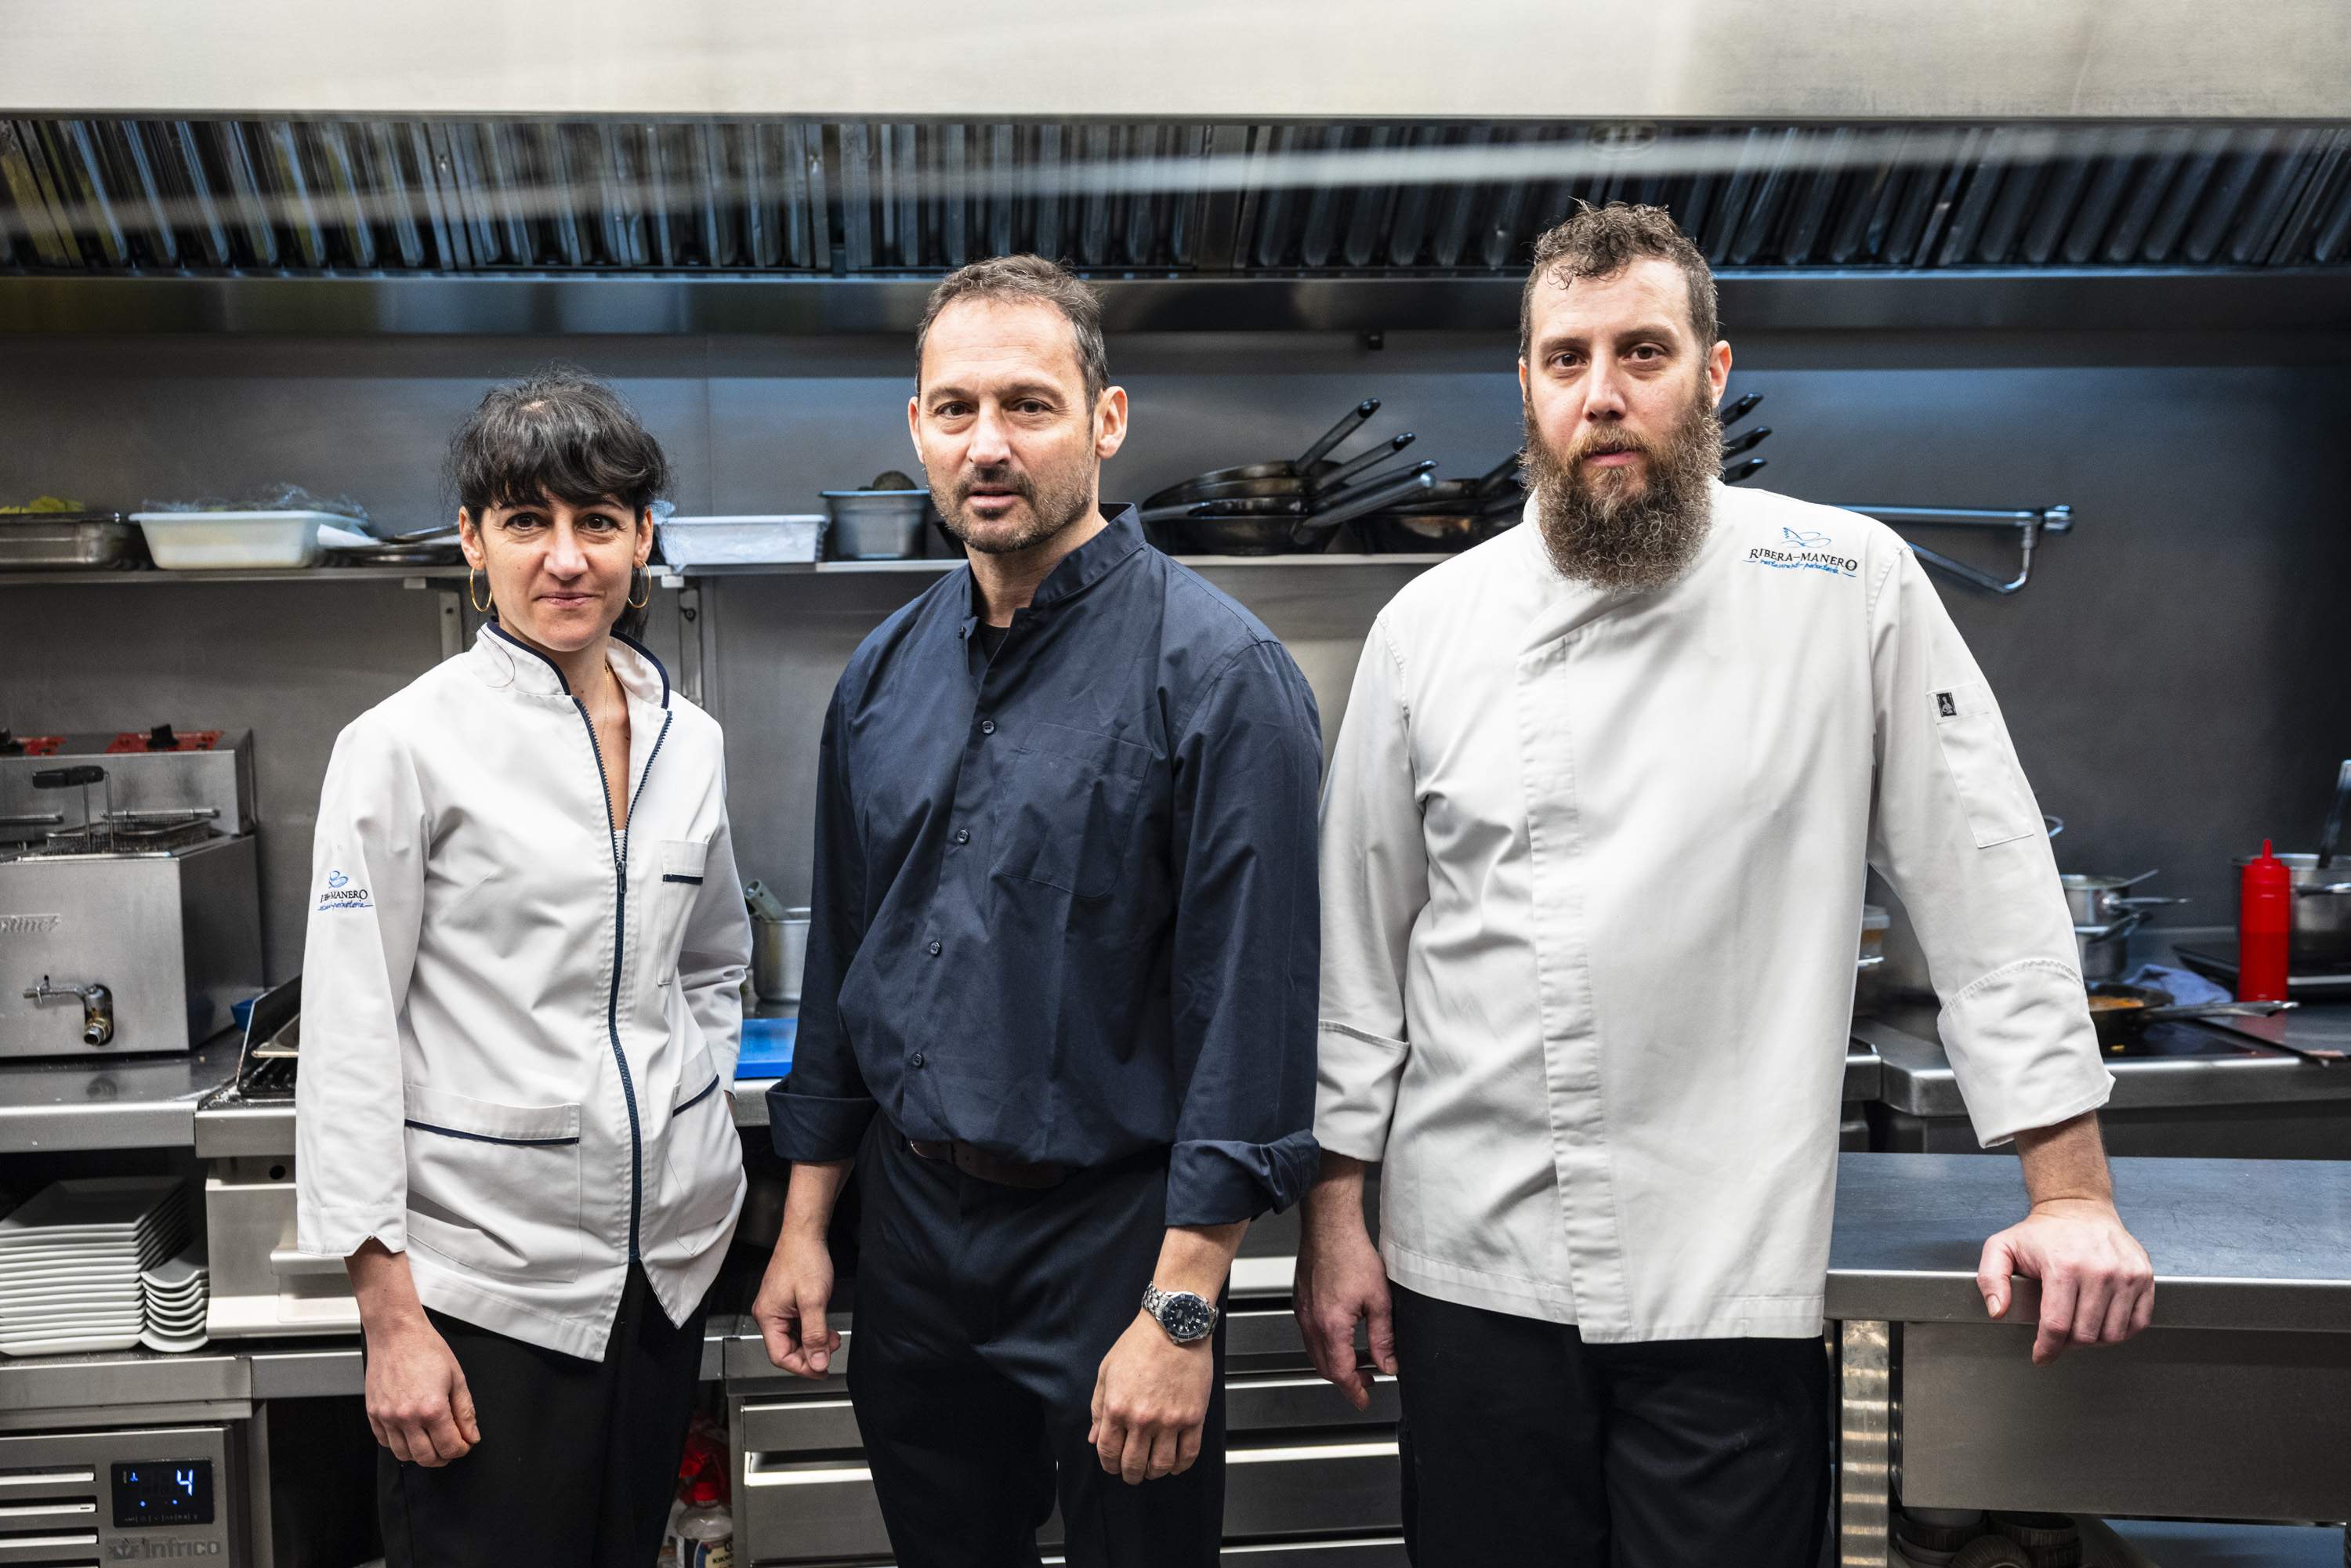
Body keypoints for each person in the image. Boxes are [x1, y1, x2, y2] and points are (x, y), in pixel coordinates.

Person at [1295, 205, 2154, 1566]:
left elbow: (1984, 878)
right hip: (1471, 1261)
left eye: (1642, 351)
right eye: (1566, 359)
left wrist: (2069, 1193)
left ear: (1712, 370)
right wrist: (1336, 1217)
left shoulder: (1844, 579)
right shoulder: (1427, 629)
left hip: (1728, 1265)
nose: (1603, 394)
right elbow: (1360, 953)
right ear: (1524, 389)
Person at [752, 255, 1323, 1568]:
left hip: (1115, 1235)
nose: (988, 445)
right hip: (910, 1228)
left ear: (1106, 422)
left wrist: (1182, 1309)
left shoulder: (1223, 676)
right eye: (955, 410)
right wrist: (802, 1227)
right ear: (916, 431)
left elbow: (1255, 1012)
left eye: (1029, 404)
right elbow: (849, 961)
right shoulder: (882, 675)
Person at [295, 368, 752, 1568]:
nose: (567, 557)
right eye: (528, 521)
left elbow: (712, 963)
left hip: (662, 1276)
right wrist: (389, 1317)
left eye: (598, 522)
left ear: (643, 540)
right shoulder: (400, 746)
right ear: (471, 539)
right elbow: (346, 1039)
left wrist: (681, 1098)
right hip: (487, 1292)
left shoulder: (686, 739)